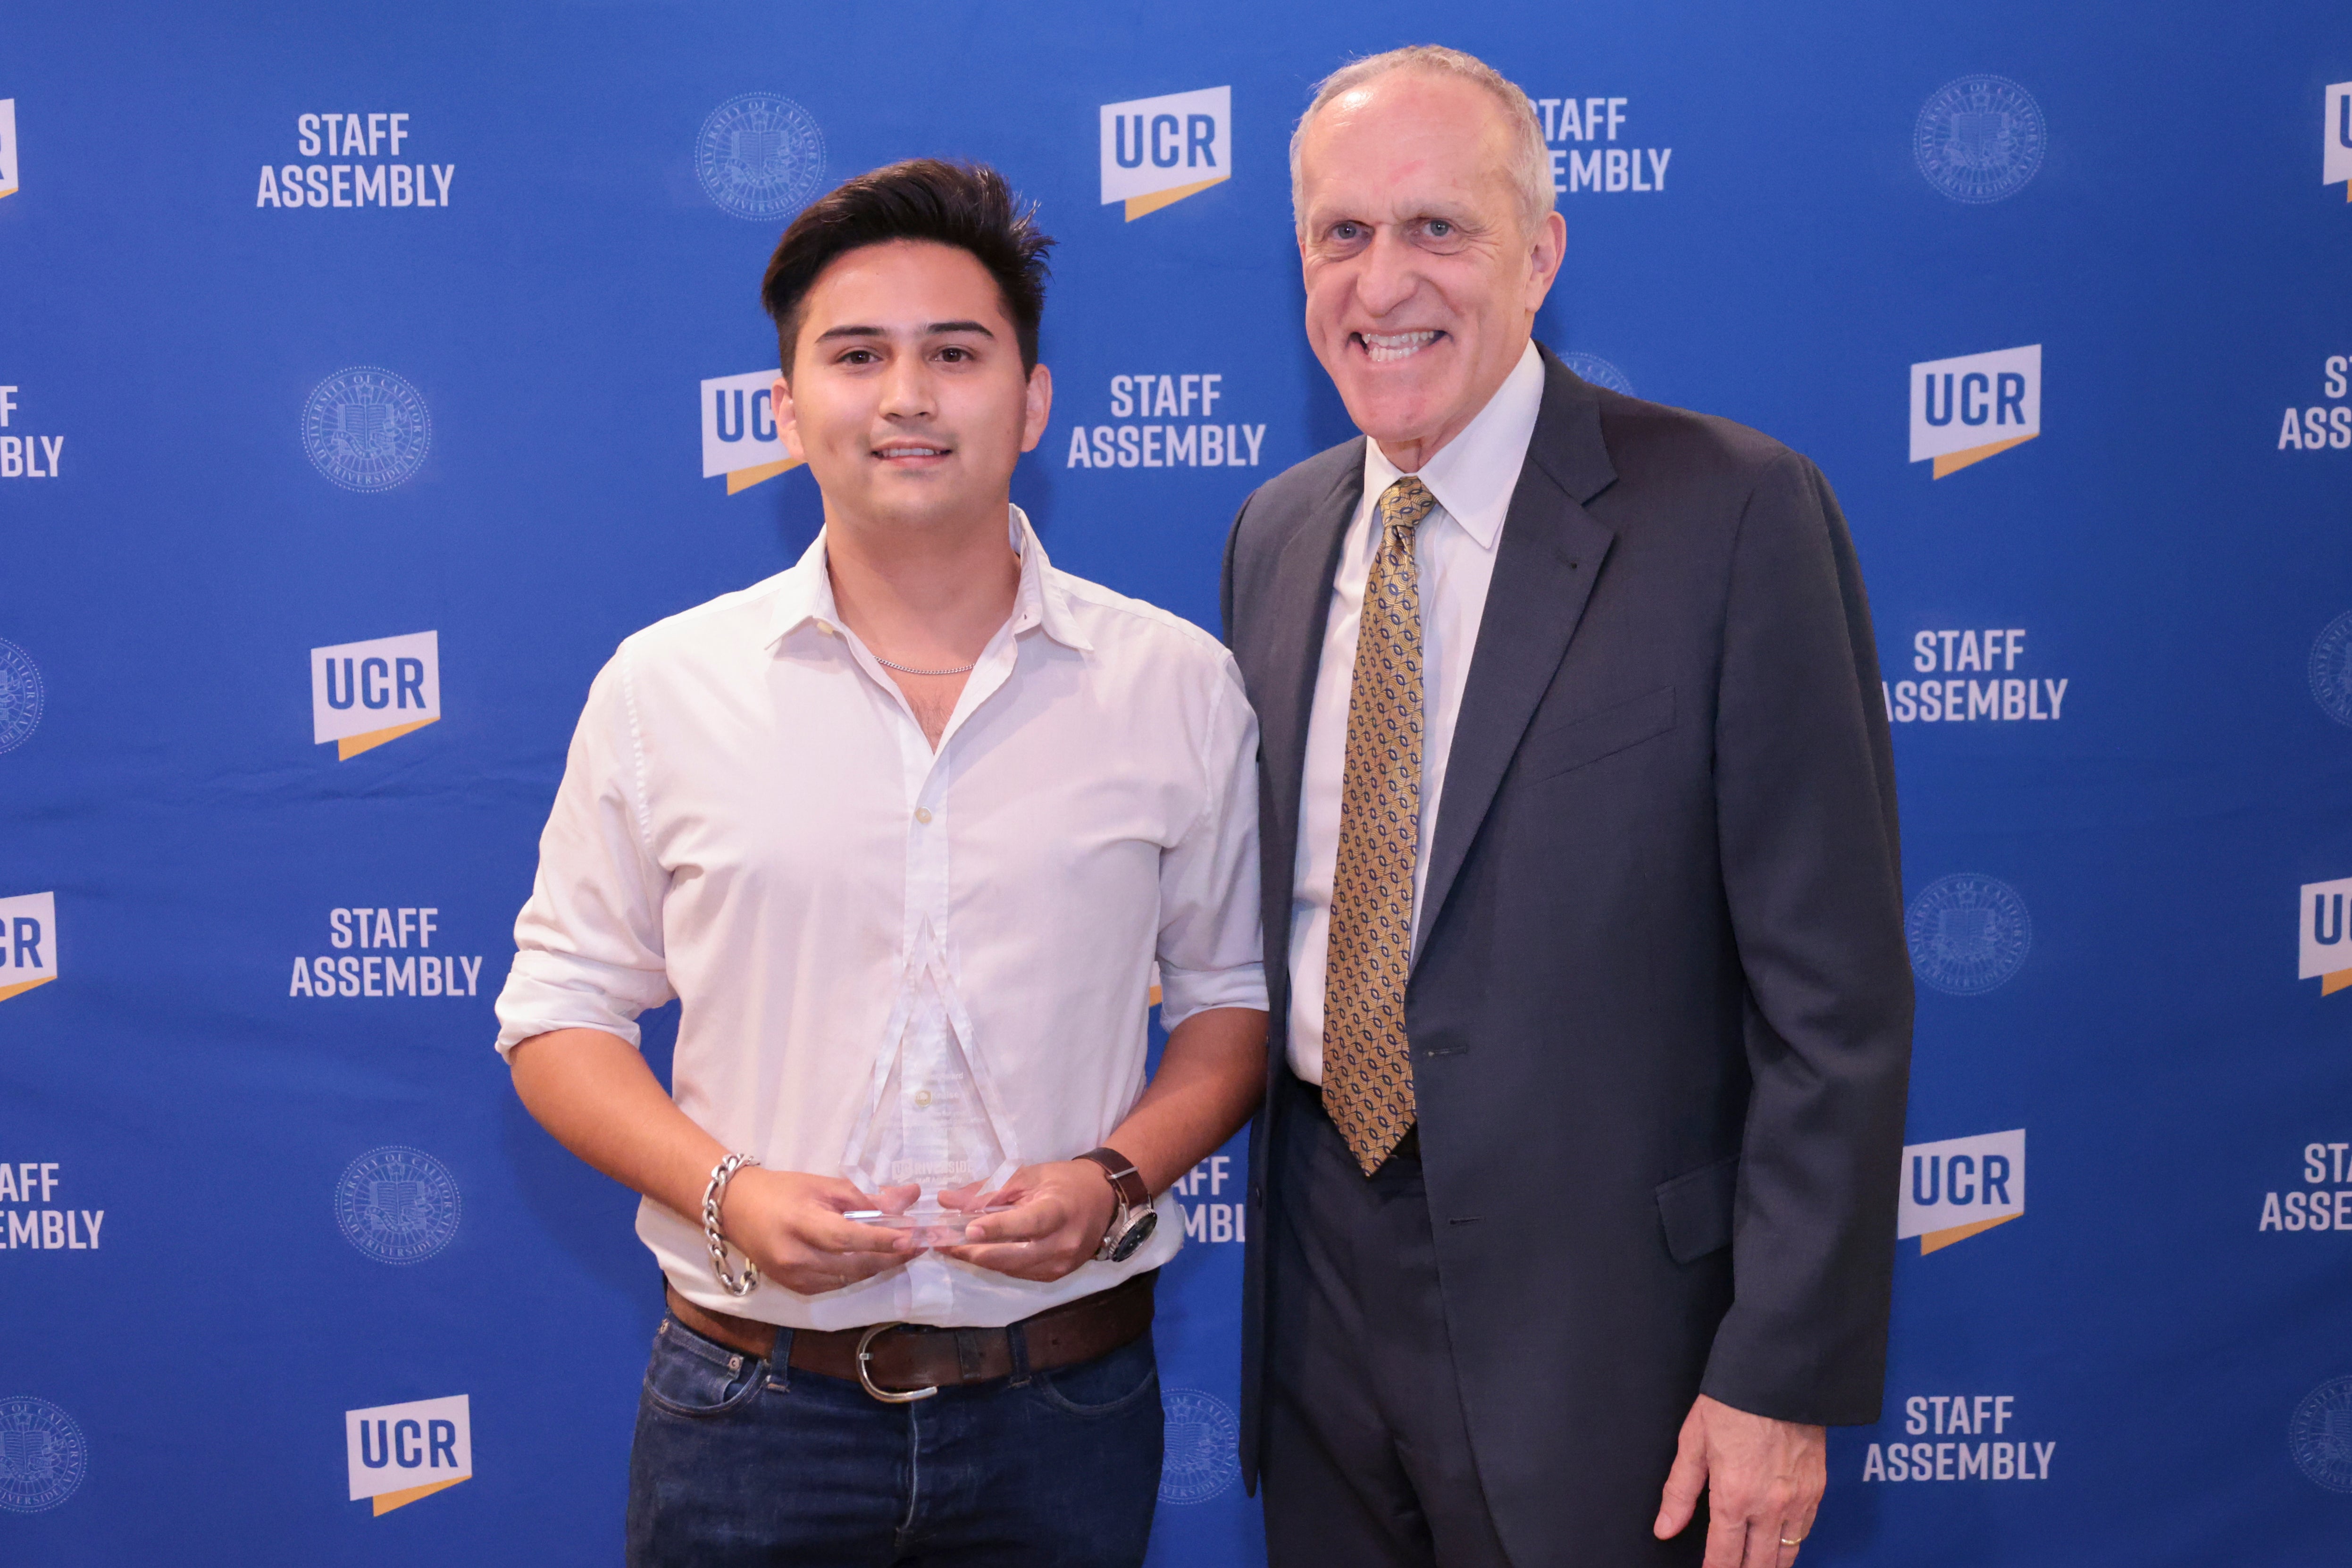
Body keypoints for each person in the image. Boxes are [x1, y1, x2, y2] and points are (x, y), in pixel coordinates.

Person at [496, 158, 1268, 1568]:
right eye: (857, 357)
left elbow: (1226, 1006)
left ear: (1030, 402)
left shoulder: (1174, 684)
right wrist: (728, 1188)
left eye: (954, 354)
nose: (906, 396)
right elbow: (556, 1019)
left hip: (1068, 1407)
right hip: (746, 1406)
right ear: (786, 412)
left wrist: (1110, 1174)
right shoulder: (665, 687)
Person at [1220, 46, 1914, 1568]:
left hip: (1618, 1346)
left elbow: (1835, 1001)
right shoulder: (1273, 533)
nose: (1381, 278)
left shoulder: (1735, 514)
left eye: (1436, 229)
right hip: (1320, 1309)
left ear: (1538, 254)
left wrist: (1775, 1373)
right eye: (1342, 234)